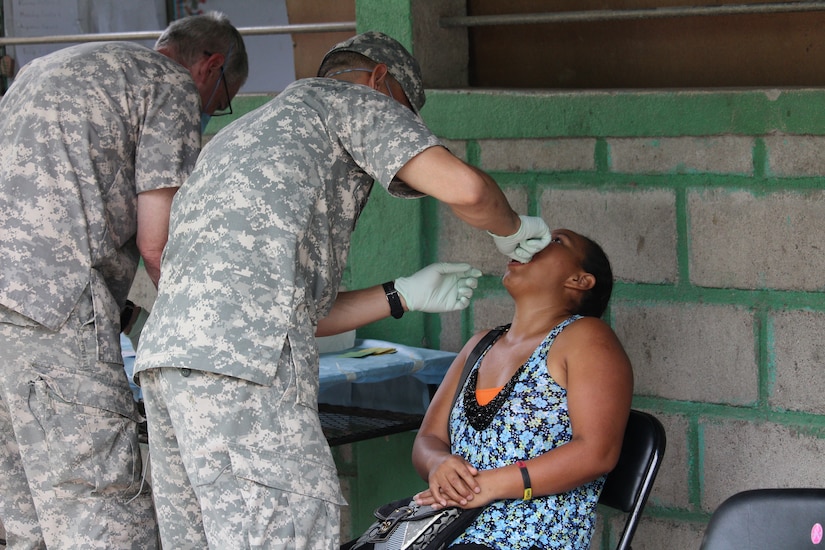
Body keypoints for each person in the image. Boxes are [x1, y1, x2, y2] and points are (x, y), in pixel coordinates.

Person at [133, 31, 552, 549]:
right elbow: (467, 189)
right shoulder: (351, 100)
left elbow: (293, 312)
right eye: (404, 115)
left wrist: (401, 293)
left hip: (168, 365)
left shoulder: (245, 132)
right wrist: (510, 229)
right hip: (245, 370)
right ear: (380, 79)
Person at [0, 12, 248, 549]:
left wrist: (127, 314)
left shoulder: (45, 69)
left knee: (24, 519)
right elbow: (157, 243)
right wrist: (203, 340)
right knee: (103, 507)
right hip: (55, 315)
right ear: (211, 67)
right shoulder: (170, 85)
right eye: (220, 100)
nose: (209, 112)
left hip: (13, 320)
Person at [411, 228, 634, 550]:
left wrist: (487, 485)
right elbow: (429, 439)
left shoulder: (586, 337)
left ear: (579, 281)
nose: (532, 244)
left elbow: (596, 453)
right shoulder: (481, 344)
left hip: (526, 540)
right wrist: (438, 465)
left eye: (556, 241)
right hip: (446, 531)